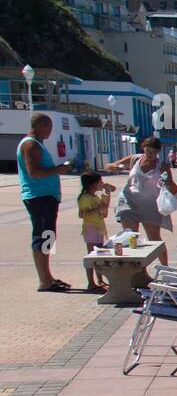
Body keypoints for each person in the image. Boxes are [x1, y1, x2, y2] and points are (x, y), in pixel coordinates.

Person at [17, 112, 75, 292]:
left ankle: (48, 277)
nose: (50, 131)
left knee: (48, 236)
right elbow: (33, 172)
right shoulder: (30, 145)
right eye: (49, 127)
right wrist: (57, 169)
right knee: (43, 236)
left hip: (45, 197)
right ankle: (44, 280)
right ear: (43, 126)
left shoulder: (37, 144)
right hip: (39, 196)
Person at [106, 136, 177, 267]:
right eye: (147, 151)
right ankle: (137, 272)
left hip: (150, 206)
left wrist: (171, 188)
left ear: (158, 151)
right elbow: (109, 166)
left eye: (152, 152)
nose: (149, 155)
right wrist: (114, 167)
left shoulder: (162, 167)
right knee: (130, 237)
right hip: (128, 201)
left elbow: (172, 186)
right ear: (143, 149)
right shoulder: (135, 159)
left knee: (154, 239)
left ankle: (166, 268)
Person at [78, 172, 114, 291]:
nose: (102, 184)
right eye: (100, 182)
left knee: (99, 256)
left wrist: (107, 192)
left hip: (98, 228)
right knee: (91, 256)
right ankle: (91, 282)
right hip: (91, 228)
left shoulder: (95, 197)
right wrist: (97, 208)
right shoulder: (85, 198)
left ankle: (100, 280)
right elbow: (82, 214)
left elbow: (104, 209)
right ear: (92, 184)